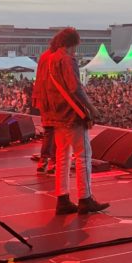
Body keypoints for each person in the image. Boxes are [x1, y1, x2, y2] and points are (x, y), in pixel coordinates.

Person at [40, 27, 108, 215]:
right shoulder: (67, 60)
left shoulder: (49, 59)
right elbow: (75, 88)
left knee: (62, 157)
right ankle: (85, 198)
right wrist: (91, 109)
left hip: (57, 115)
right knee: (83, 155)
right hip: (71, 115)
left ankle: (62, 199)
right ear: (71, 43)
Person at [31, 41, 56, 174]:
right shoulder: (55, 56)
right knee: (56, 131)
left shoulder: (43, 56)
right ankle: (53, 162)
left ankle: (43, 161)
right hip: (52, 99)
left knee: (48, 131)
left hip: (42, 98)